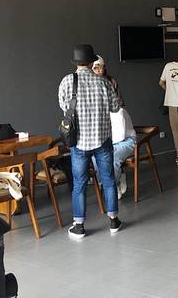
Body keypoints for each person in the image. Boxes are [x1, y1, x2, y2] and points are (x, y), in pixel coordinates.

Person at [59, 44, 121, 240]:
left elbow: (64, 107)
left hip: (79, 142)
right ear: (92, 61)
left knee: (79, 183)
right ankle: (113, 221)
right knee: (108, 180)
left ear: (76, 63)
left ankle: (79, 226)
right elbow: (115, 107)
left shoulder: (67, 81)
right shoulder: (104, 82)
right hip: (103, 140)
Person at [92, 55, 133, 199]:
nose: (99, 70)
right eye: (95, 68)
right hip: (103, 137)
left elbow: (120, 129)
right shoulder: (89, 85)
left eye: (101, 67)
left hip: (121, 137)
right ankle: (111, 184)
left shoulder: (111, 82)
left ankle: (112, 184)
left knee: (112, 156)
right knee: (96, 158)